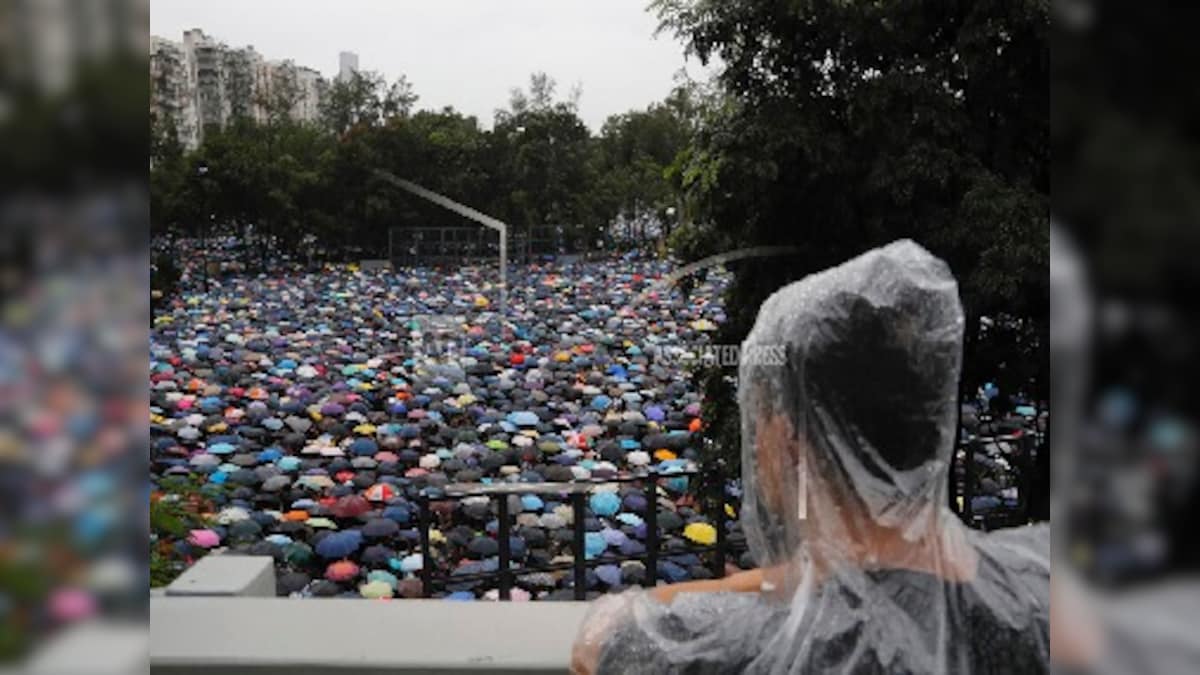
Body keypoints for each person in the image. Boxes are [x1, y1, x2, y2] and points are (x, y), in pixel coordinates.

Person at [571, 240, 1050, 674]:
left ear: (791, 439)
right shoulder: (1035, 591)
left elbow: (602, 641)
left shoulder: (737, 650)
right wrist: (801, 575)